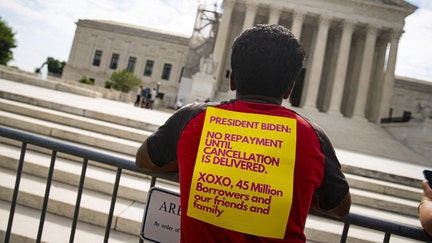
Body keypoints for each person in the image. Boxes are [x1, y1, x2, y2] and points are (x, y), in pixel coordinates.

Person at [135, 24, 351, 242]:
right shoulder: (312, 136)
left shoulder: (192, 119)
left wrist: (200, 169)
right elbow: (340, 207)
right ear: (289, 89)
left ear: (232, 79)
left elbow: (143, 159)